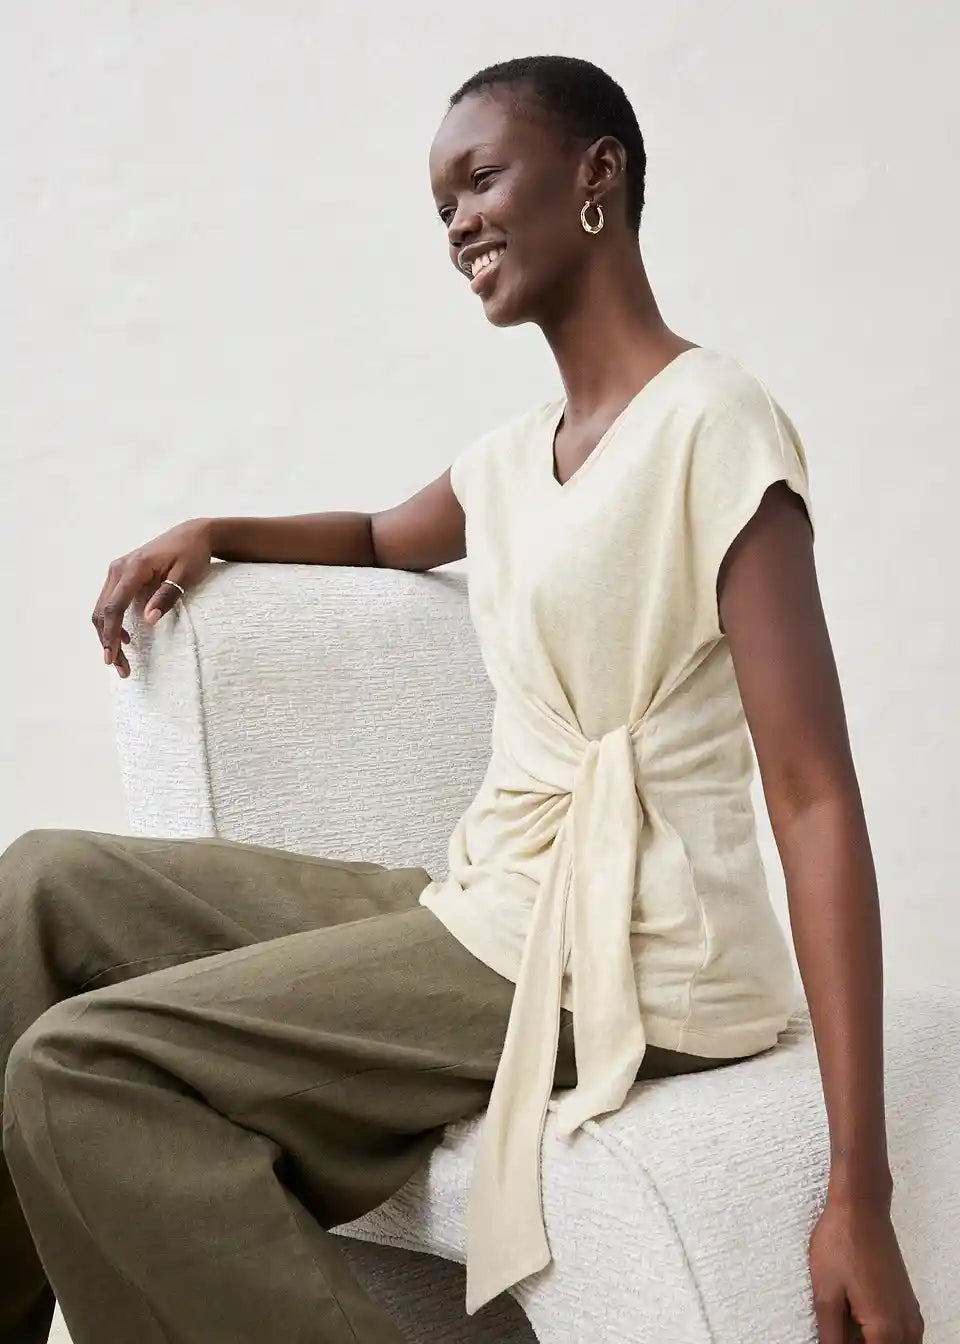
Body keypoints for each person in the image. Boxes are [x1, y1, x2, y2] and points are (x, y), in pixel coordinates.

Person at [0, 53, 923, 1344]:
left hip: (634, 955)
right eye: (442, 205)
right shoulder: (512, 457)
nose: (458, 225)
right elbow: (384, 535)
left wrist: (858, 1188)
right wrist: (213, 528)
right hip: (489, 899)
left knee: (82, 1069)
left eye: (481, 179)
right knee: (38, 885)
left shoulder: (715, 424)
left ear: (599, 173)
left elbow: (815, 800)